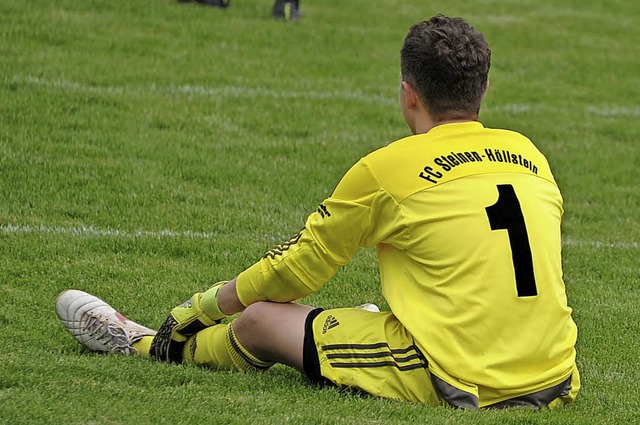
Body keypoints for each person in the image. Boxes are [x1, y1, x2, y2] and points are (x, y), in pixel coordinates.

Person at [56, 15, 580, 410]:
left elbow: (299, 269)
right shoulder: (530, 154)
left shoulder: (387, 169)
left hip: (460, 378)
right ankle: (372, 327)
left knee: (260, 320)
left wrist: (204, 306)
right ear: (484, 89)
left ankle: (143, 346)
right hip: (557, 372)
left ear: (408, 94)